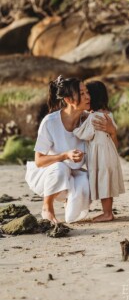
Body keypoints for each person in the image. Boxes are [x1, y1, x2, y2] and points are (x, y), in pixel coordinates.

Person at [25, 76, 91, 224]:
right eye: (82, 93)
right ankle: (47, 207)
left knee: (89, 180)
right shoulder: (50, 122)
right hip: (48, 174)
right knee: (61, 168)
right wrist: (65, 155)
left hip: (74, 174)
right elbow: (39, 161)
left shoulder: (88, 120)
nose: (87, 96)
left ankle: (69, 201)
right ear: (68, 99)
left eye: (87, 92)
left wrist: (111, 131)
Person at [74, 81, 125, 222]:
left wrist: (74, 128)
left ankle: (107, 213)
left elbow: (83, 134)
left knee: (103, 182)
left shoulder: (93, 117)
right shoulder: (108, 114)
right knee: (106, 182)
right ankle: (107, 212)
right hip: (110, 154)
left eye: (88, 93)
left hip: (100, 156)